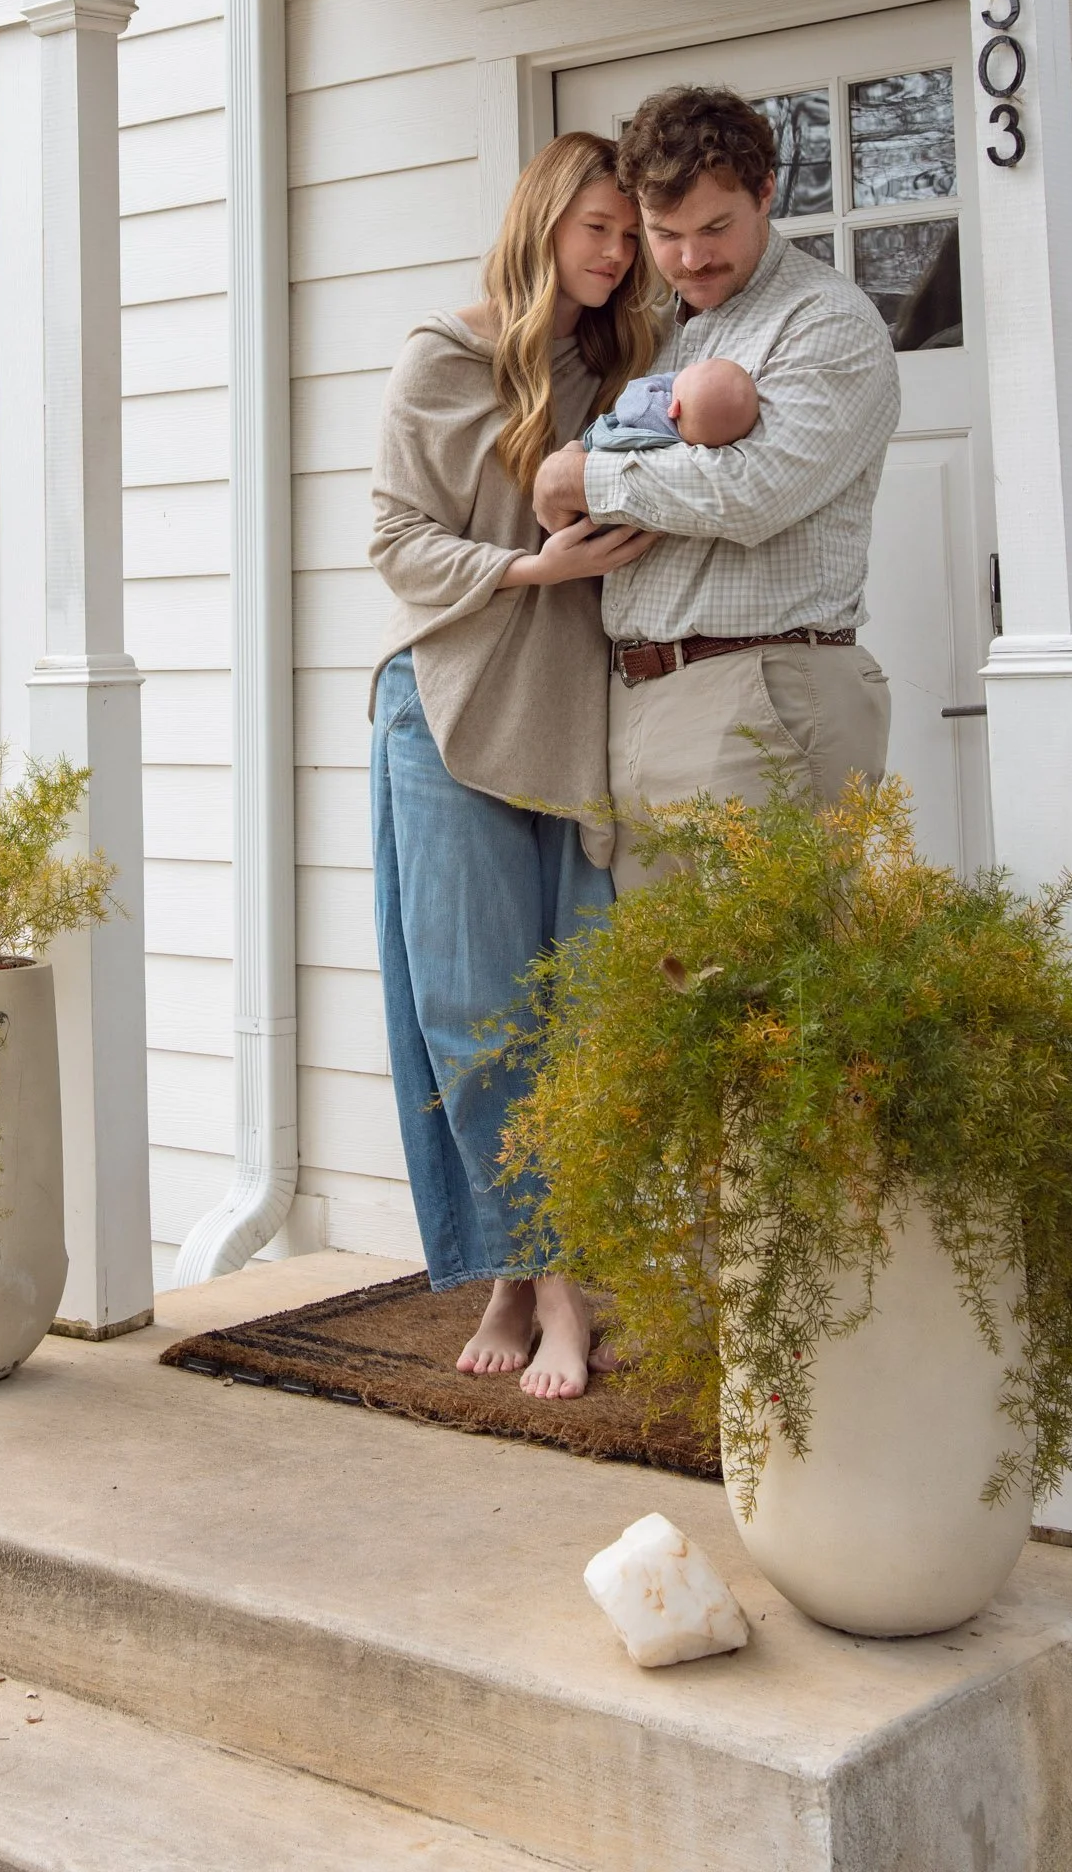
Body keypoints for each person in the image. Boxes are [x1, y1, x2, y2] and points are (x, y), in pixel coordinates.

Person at [368, 134, 663, 1397]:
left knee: (577, 1014)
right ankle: (553, 1290)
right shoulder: (448, 353)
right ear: (545, 220)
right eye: (597, 228)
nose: (615, 254)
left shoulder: (623, 369)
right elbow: (392, 536)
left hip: (577, 716)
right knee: (476, 1019)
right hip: (451, 705)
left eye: (629, 237)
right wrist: (528, 570)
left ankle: (518, 1267)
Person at [532, 87, 899, 876]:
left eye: (714, 228)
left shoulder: (823, 320)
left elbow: (751, 491)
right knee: (667, 991)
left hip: (760, 691)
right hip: (637, 702)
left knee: (769, 990)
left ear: (765, 192)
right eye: (663, 234)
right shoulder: (658, 331)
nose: (690, 257)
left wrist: (586, 478)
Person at [583, 355, 760, 460]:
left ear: (674, 409)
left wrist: (670, 381)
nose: (691, 365)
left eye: (695, 367)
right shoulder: (694, 447)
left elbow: (630, 395)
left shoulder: (650, 408)